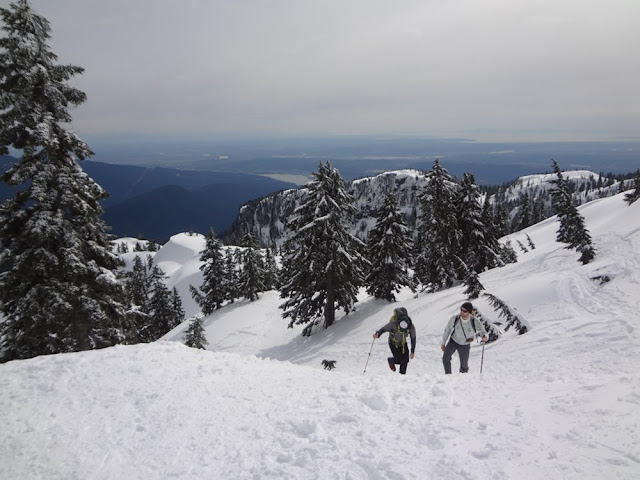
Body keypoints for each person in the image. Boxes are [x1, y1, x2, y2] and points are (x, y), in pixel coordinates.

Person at [441, 301, 488, 374]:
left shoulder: (474, 321)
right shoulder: (455, 318)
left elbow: (483, 331)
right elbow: (447, 330)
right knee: (445, 358)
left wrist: (485, 337)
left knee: (464, 366)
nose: (462, 312)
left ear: (469, 312)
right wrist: (443, 343)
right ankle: (448, 376)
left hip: (465, 345)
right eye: (461, 310)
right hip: (453, 341)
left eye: (464, 311)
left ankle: (462, 380)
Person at [373, 307, 416, 375]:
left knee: (405, 360)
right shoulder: (393, 324)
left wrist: (412, 351)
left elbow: (413, 338)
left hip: (403, 343)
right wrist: (378, 334)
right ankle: (390, 360)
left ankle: (402, 375)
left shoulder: (411, 326)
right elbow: (383, 329)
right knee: (399, 360)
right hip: (393, 343)